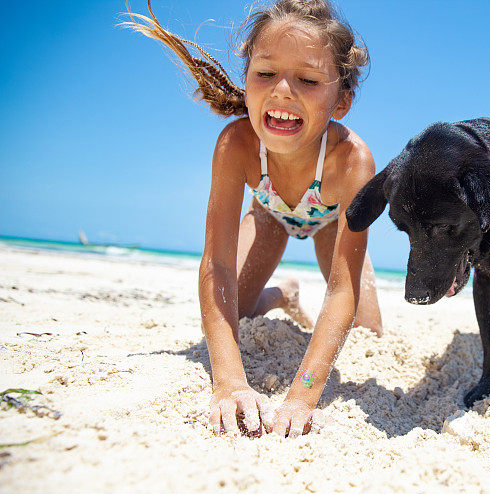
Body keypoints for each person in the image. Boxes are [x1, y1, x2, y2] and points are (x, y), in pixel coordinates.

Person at [125, 0, 383, 438]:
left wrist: (302, 395)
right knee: (238, 310)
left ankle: (324, 305)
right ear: (247, 82)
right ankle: (283, 294)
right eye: (265, 73)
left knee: (367, 331)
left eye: (307, 79)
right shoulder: (237, 144)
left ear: (341, 101)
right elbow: (217, 265)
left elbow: (342, 287)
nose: (283, 90)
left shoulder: (352, 161)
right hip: (270, 215)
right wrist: (228, 381)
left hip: (329, 222)